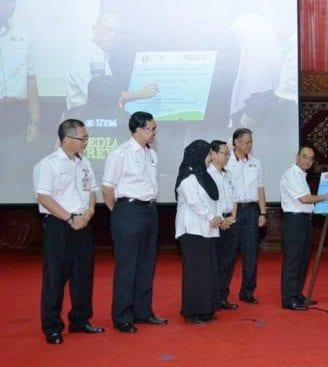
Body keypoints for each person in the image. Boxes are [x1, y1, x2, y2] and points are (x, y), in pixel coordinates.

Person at [32, 119, 104, 345]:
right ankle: (52, 327)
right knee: (55, 278)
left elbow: (92, 190)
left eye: (86, 138)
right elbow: (43, 196)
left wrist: (90, 211)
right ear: (67, 138)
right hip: (59, 226)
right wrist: (70, 218)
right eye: (82, 138)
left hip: (83, 224)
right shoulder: (49, 164)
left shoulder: (84, 163)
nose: (85, 142)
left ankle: (80, 320)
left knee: (83, 276)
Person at [102, 111, 167, 333]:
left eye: (155, 128)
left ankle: (143, 312)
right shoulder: (120, 154)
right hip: (128, 211)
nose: (154, 132)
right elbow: (108, 188)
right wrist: (120, 213)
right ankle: (122, 317)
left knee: (146, 264)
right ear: (137, 129)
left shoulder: (152, 154)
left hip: (149, 210)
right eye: (151, 128)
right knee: (127, 267)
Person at [280, 146, 328, 310]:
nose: (307, 161)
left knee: (303, 260)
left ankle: (297, 294)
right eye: (304, 157)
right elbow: (304, 199)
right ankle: (289, 299)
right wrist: (325, 197)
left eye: (311, 159)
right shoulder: (290, 175)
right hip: (294, 222)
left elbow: (306, 203)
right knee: (293, 261)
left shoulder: (302, 176)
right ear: (296, 156)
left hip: (304, 221)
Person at [66, 12, 158, 110]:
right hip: (84, 122)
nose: (112, 35)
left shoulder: (103, 57)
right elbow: (102, 95)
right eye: (108, 29)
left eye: (118, 32)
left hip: (99, 120)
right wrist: (139, 94)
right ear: (95, 29)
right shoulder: (83, 56)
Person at [175, 140, 222, 324]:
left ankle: (206, 308)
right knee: (196, 272)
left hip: (207, 229)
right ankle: (193, 311)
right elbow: (194, 202)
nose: (210, 157)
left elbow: (212, 199)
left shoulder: (203, 175)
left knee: (206, 271)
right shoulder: (188, 176)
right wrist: (212, 217)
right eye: (208, 154)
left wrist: (217, 216)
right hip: (192, 229)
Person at [224, 128, 267, 304]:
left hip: (251, 211)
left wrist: (263, 212)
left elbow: (260, 188)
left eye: (251, 142)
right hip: (232, 212)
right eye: (247, 142)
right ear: (236, 142)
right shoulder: (226, 162)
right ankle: (222, 294)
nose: (250, 145)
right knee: (228, 254)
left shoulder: (255, 162)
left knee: (251, 254)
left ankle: (247, 291)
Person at [0, 0, 41, 141]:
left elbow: (31, 80)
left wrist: (34, 122)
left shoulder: (22, 34)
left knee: (17, 160)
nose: (14, 6)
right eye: (8, 2)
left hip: (17, 115)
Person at [208, 140, 239, 310]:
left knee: (228, 262)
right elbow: (207, 202)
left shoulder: (229, 174)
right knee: (214, 262)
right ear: (212, 154)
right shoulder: (206, 175)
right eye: (224, 153)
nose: (227, 156)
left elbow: (234, 198)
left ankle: (222, 296)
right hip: (214, 224)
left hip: (230, 221)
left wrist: (233, 217)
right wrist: (219, 220)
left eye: (228, 154)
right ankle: (211, 297)